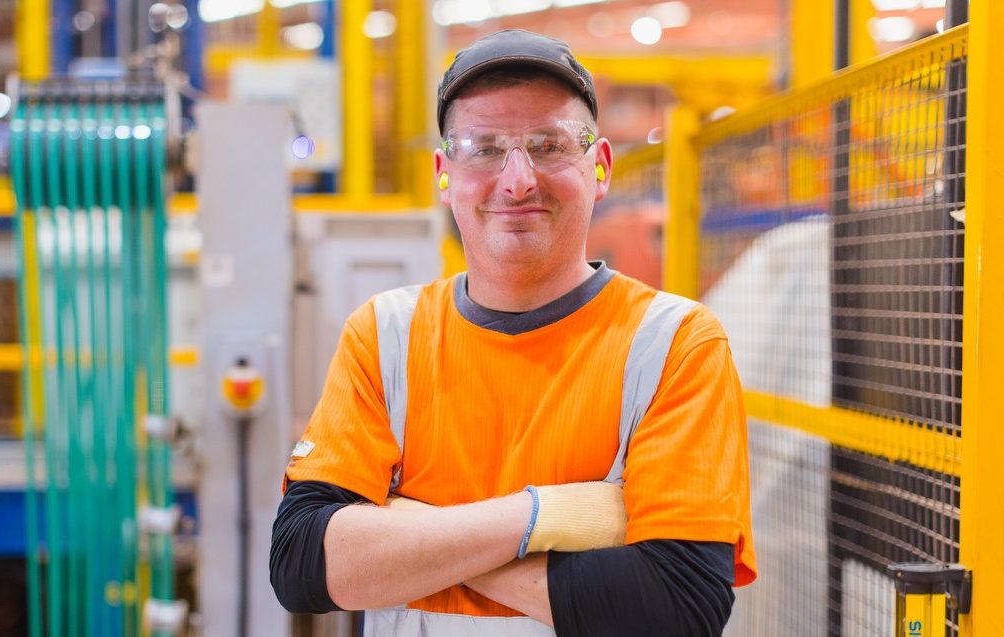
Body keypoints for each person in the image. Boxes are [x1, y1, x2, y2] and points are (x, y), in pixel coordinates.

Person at [270, 29, 757, 636]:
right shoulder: (385, 335)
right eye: (483, 148)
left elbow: (676, 608)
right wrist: (547, 514)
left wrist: (406, 534)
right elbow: (299, 565)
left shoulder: (675, 345)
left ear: (599, 167)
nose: (518, 180)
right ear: (444, 174)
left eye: (550, 145)